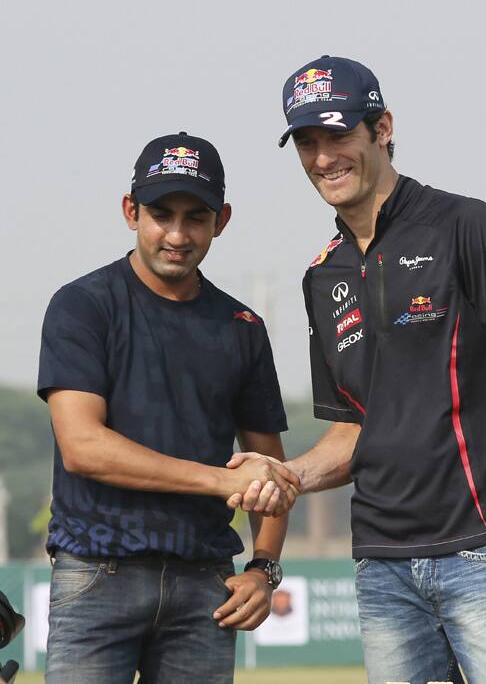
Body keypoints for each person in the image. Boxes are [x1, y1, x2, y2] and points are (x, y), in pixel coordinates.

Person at [231, 55, 486, 684]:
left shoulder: (466, 225)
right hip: (382, 568)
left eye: (338, 135)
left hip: (485, 553)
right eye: (306, 141)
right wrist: (287, 473)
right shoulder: (322, 273)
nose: (323, 156)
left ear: (382, 127)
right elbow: (359, 427)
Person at [37, 131, 299, 684]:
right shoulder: (82, 306)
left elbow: (271, 473)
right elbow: (83, 448)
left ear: (221, 220)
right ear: (131, 211)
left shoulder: (242, 328)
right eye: (161, 213)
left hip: (206, 585)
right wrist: (216, 481)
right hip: (96, 573)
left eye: (195, 217)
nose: (177, 234)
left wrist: (262, 569)